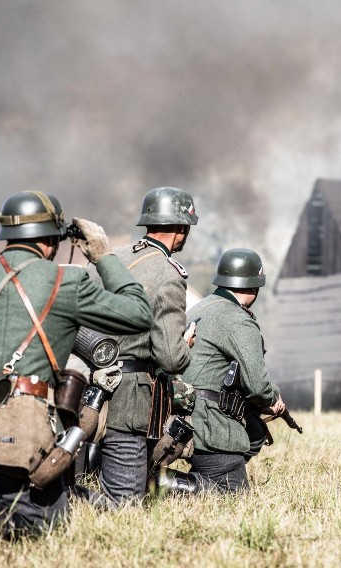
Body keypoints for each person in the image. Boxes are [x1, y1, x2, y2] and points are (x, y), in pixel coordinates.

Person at [0, 190, 153, 538]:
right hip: (22, 420)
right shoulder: (68, 282)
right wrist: (103, 256)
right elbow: (140, 315)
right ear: (52, 239)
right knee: (43, 525)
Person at [89, 186, 198, 505]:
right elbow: (172, 358)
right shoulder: (168, 275)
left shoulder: (113, 259)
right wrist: (186, 343)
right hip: (129, 396)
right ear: (181, 228)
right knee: (126, 501)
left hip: (85, 384)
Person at [165, 248, 285, 494]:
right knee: (231, 494)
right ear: (254, 286)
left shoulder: (200, 308)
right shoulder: (237, 319)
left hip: (181, 414)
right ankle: (160, 484)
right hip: (211, 425)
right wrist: (273, 399)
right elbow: (258, 387)